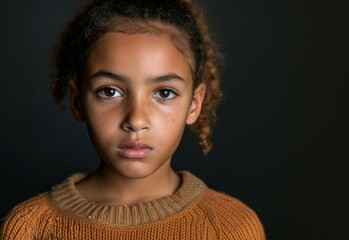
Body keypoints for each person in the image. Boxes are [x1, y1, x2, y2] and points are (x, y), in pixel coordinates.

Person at [0, 0, 265, 239]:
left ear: (194, 104)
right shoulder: (31, 228)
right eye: (110, 91)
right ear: (78, 101)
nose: (136, 120)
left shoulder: (230, 228)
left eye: (164, 93)